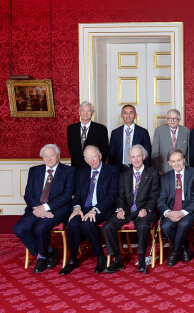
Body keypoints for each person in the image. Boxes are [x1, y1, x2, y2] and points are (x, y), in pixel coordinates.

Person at [13, 144, 75, 273]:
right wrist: (38, 208)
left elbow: (67, 195)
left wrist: (45, 208)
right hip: (35, 208)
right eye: (45, 156)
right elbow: (28, 194)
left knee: (40, 227)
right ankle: (50, 251)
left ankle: (41, 257)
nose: (49, 159)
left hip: (57, 209)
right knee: (19, 229)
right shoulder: (34, 171)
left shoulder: (69, 171)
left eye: (51, 155)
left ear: (58, 156)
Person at [60, 146, 119, 275]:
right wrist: (76, 208)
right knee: (72, 223)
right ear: (85, 160)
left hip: (103, 208)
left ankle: (100, 257)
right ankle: (72, 259)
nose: (92, 160)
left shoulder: (112, 170)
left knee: (87, 224)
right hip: (83, 208)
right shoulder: (81, 173)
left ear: (100, 156)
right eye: (88, 158)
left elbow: (112, 195)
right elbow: (77, 196)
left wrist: (95, 210)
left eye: (94, 156)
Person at [103, 145, 160, 273]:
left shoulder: (152, 173)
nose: (136, 160)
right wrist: (121, 209)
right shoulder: (124, 175)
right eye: (133, 157)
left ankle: (141, 260)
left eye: (138, 156)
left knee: (143, 226)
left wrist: (146, 209)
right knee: (107, 227)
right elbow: (121, 196)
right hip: (128, 211)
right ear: (129, 158)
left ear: (143, 157)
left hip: (144, 211)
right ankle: (117, 260)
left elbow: (154, 196)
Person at [157, 149, 194, 267]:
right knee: (166, 226)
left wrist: (182, 212)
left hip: (188, 209)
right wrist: (168, 213)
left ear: (184, 160)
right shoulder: (165, 178)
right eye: (173, 161)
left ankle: (174, 252)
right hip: (172, 209)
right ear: (169, 163)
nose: (176, 164)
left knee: (183, 224)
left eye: (179, 160)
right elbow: (161, 200)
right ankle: (184, 245)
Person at [66, 101, 109, 169]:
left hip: (94, 167)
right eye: (82, 110)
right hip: (76, 167)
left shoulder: (101, 129)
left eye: (88, 111)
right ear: (79, 112)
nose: (85, 113)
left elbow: (104, 150)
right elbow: (71, 148)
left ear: (92, 113)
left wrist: (97, 166)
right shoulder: (71, 128)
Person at [109, 104, 152, 170]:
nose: (128, 116)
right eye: (125, 113)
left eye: (131, 113)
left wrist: (147, 170)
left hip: (137, 168)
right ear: (122, 115)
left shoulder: (143, 132)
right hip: (119, 169)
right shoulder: (115, 133)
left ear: (135, 115)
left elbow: (147, 153)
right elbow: (111, 154)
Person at [151, 109, 190, 174]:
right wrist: (157, 170)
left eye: (175, 118)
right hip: (164, 170)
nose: (172, 121)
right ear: (167, 119)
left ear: (179, 120)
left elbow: (188, 153)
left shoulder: (186, 131)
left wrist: (188, 168)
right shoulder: (159, 131)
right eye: (170, 118)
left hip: (182, 169)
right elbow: (155, 153)